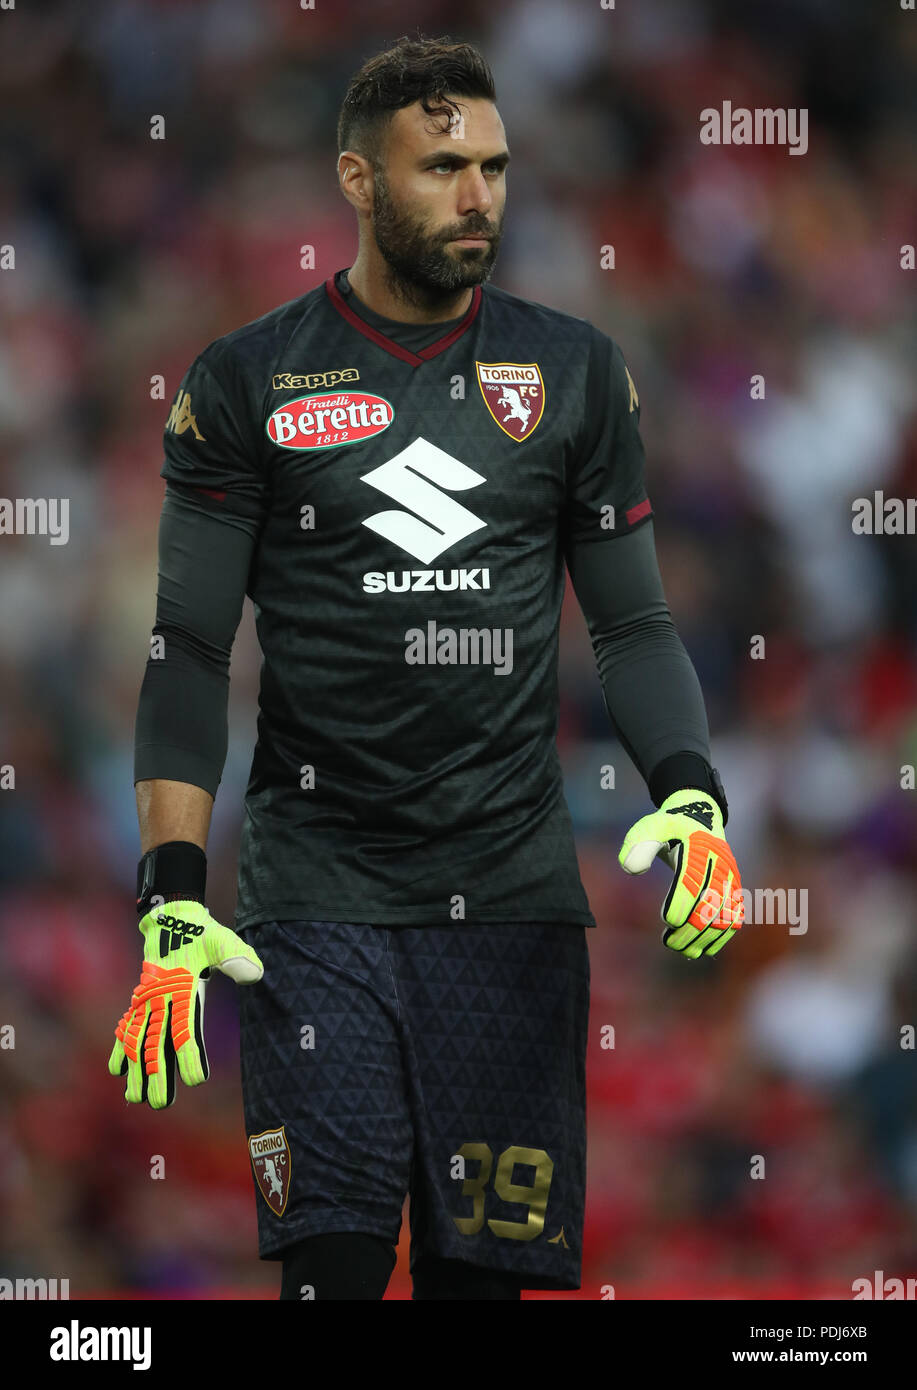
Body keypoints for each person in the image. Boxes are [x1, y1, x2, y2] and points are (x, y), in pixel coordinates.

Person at [110, 33, 743, 1301]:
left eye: (495, 167)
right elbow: (187, 648)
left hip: (508, 904)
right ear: (356, 179)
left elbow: (629, 626)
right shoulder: (246, 380)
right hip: (315, 893)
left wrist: (691, 791)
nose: (479, 198)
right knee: (331, 1275)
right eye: (442, 166)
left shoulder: (573, 373)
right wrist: (171, 889)